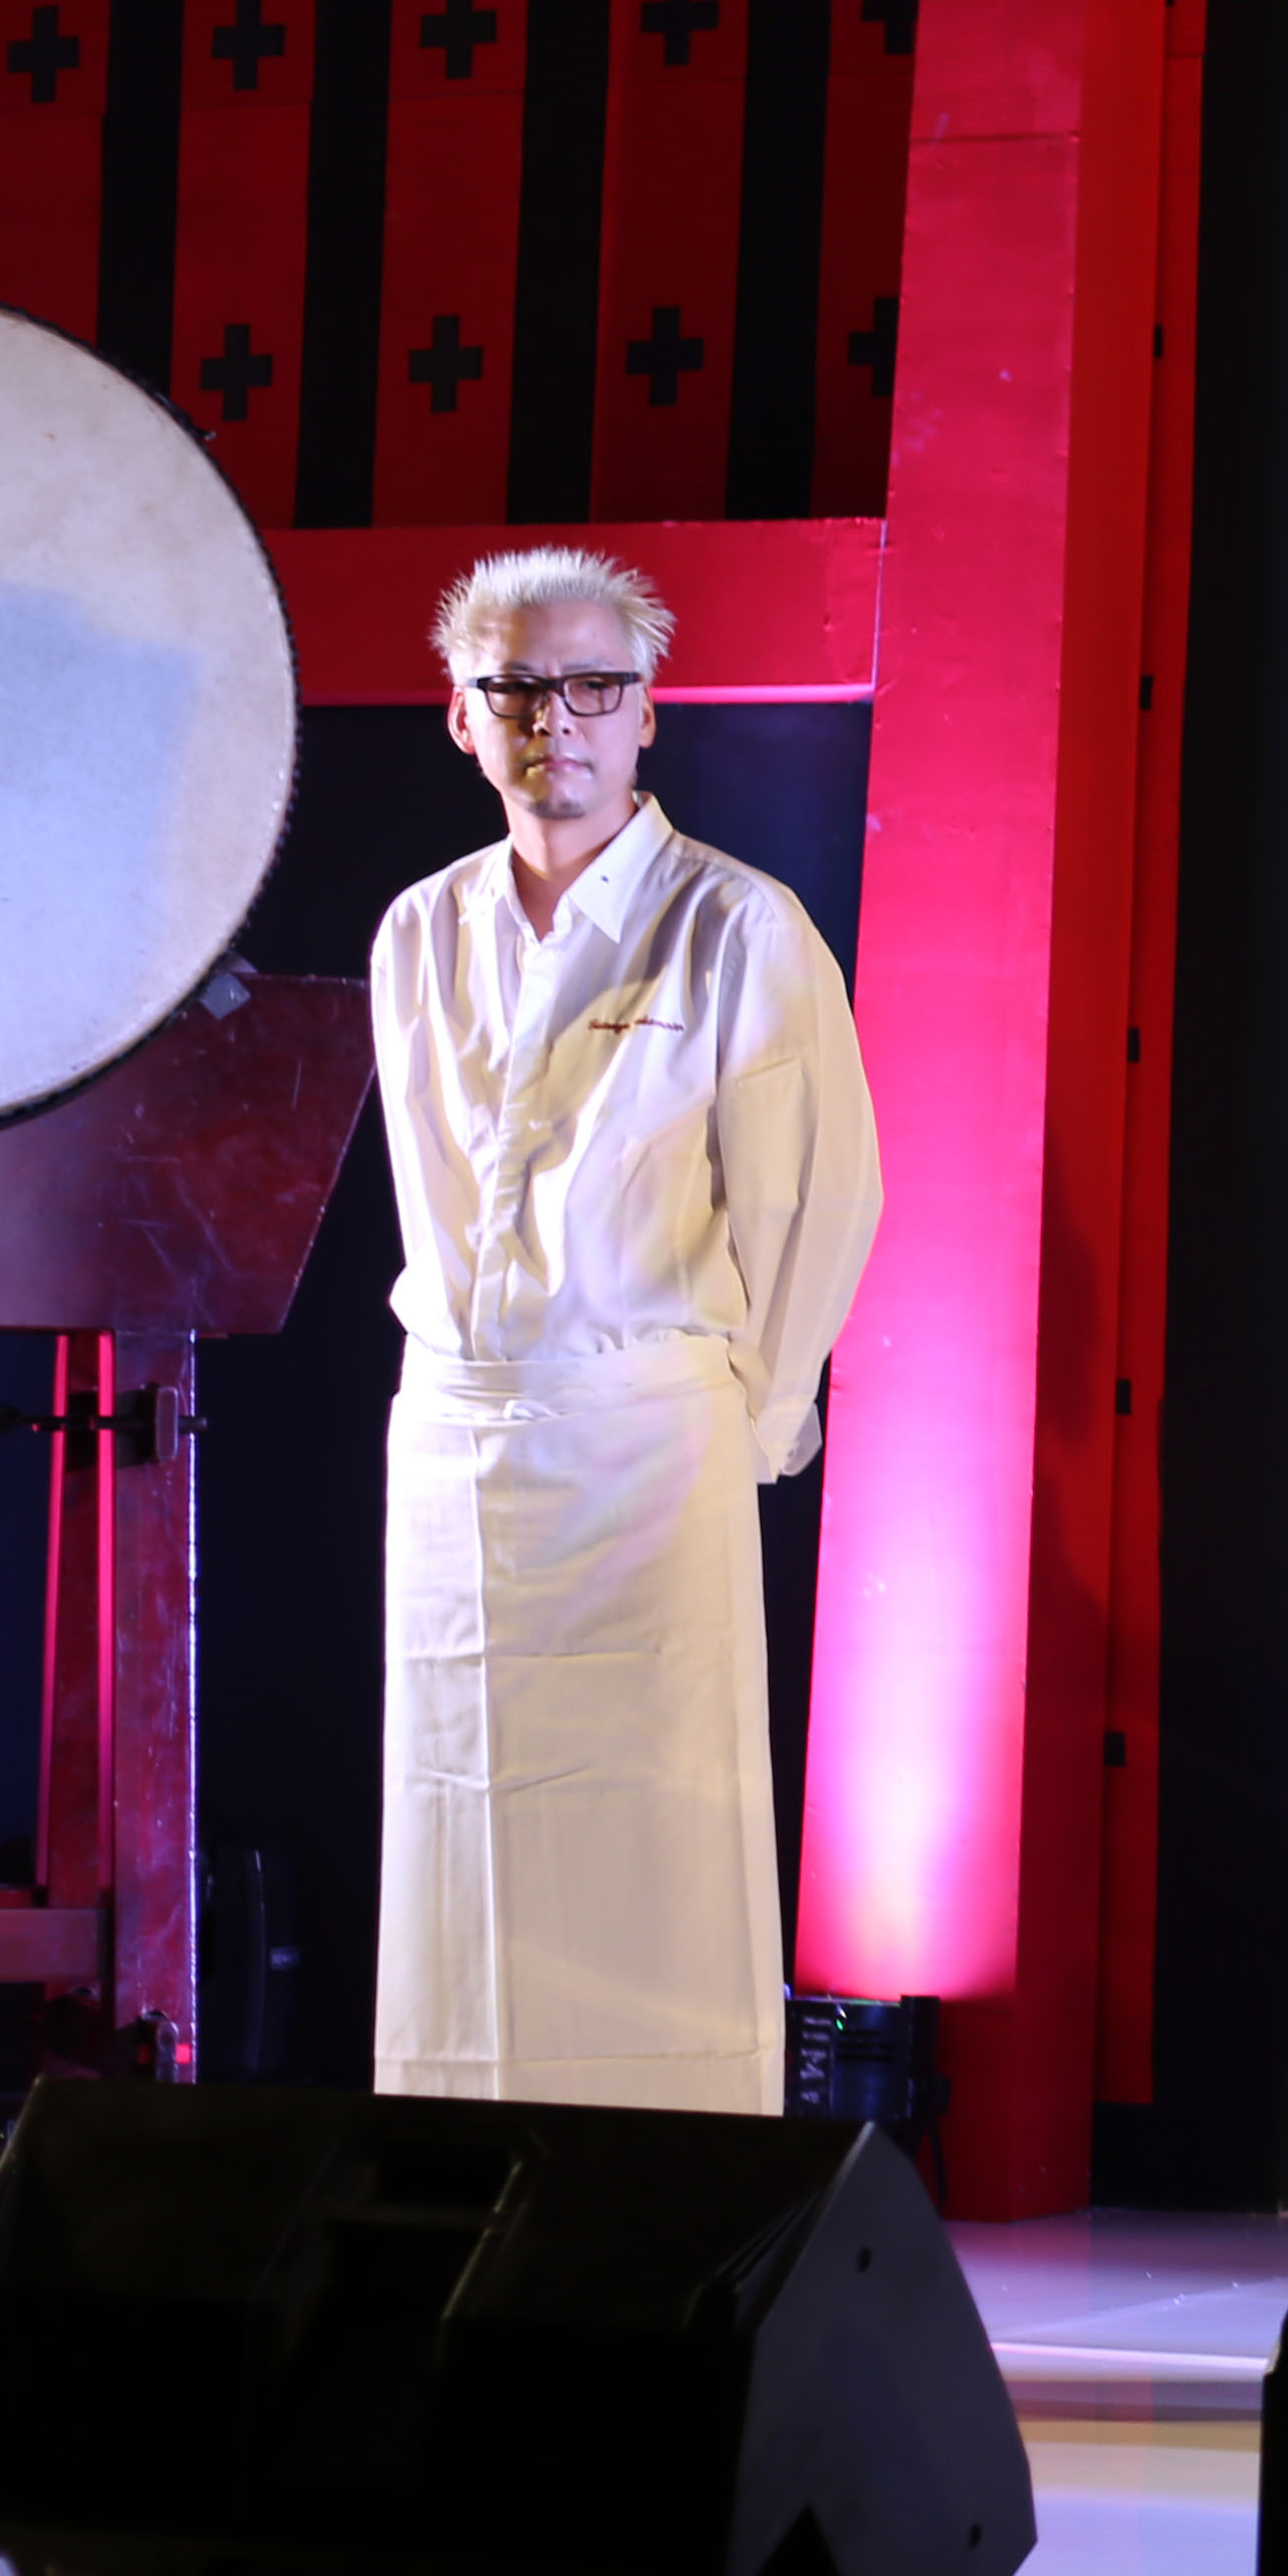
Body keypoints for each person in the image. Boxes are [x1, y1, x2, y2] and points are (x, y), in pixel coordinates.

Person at [368, 547, 880, 2112]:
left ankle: (671, 2162)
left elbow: (815, 1199)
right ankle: (457, 2153)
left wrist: (757, 1417)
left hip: (649, 1436)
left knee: (658, 1823)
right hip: (459, 1430)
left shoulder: (736, 925)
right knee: (459, 1824)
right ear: (462, 716)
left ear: (649, 713)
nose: (559, 722)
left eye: (596, 687)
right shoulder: (420, 930)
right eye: (519, 688)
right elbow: (428, 1189)